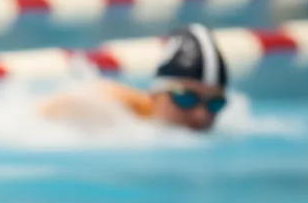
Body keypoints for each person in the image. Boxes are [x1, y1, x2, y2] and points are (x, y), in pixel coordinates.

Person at [41, 23, 229, 134]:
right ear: (155, 93)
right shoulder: (114, 107)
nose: (201, 115)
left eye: (215, 103)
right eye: (186, 98)